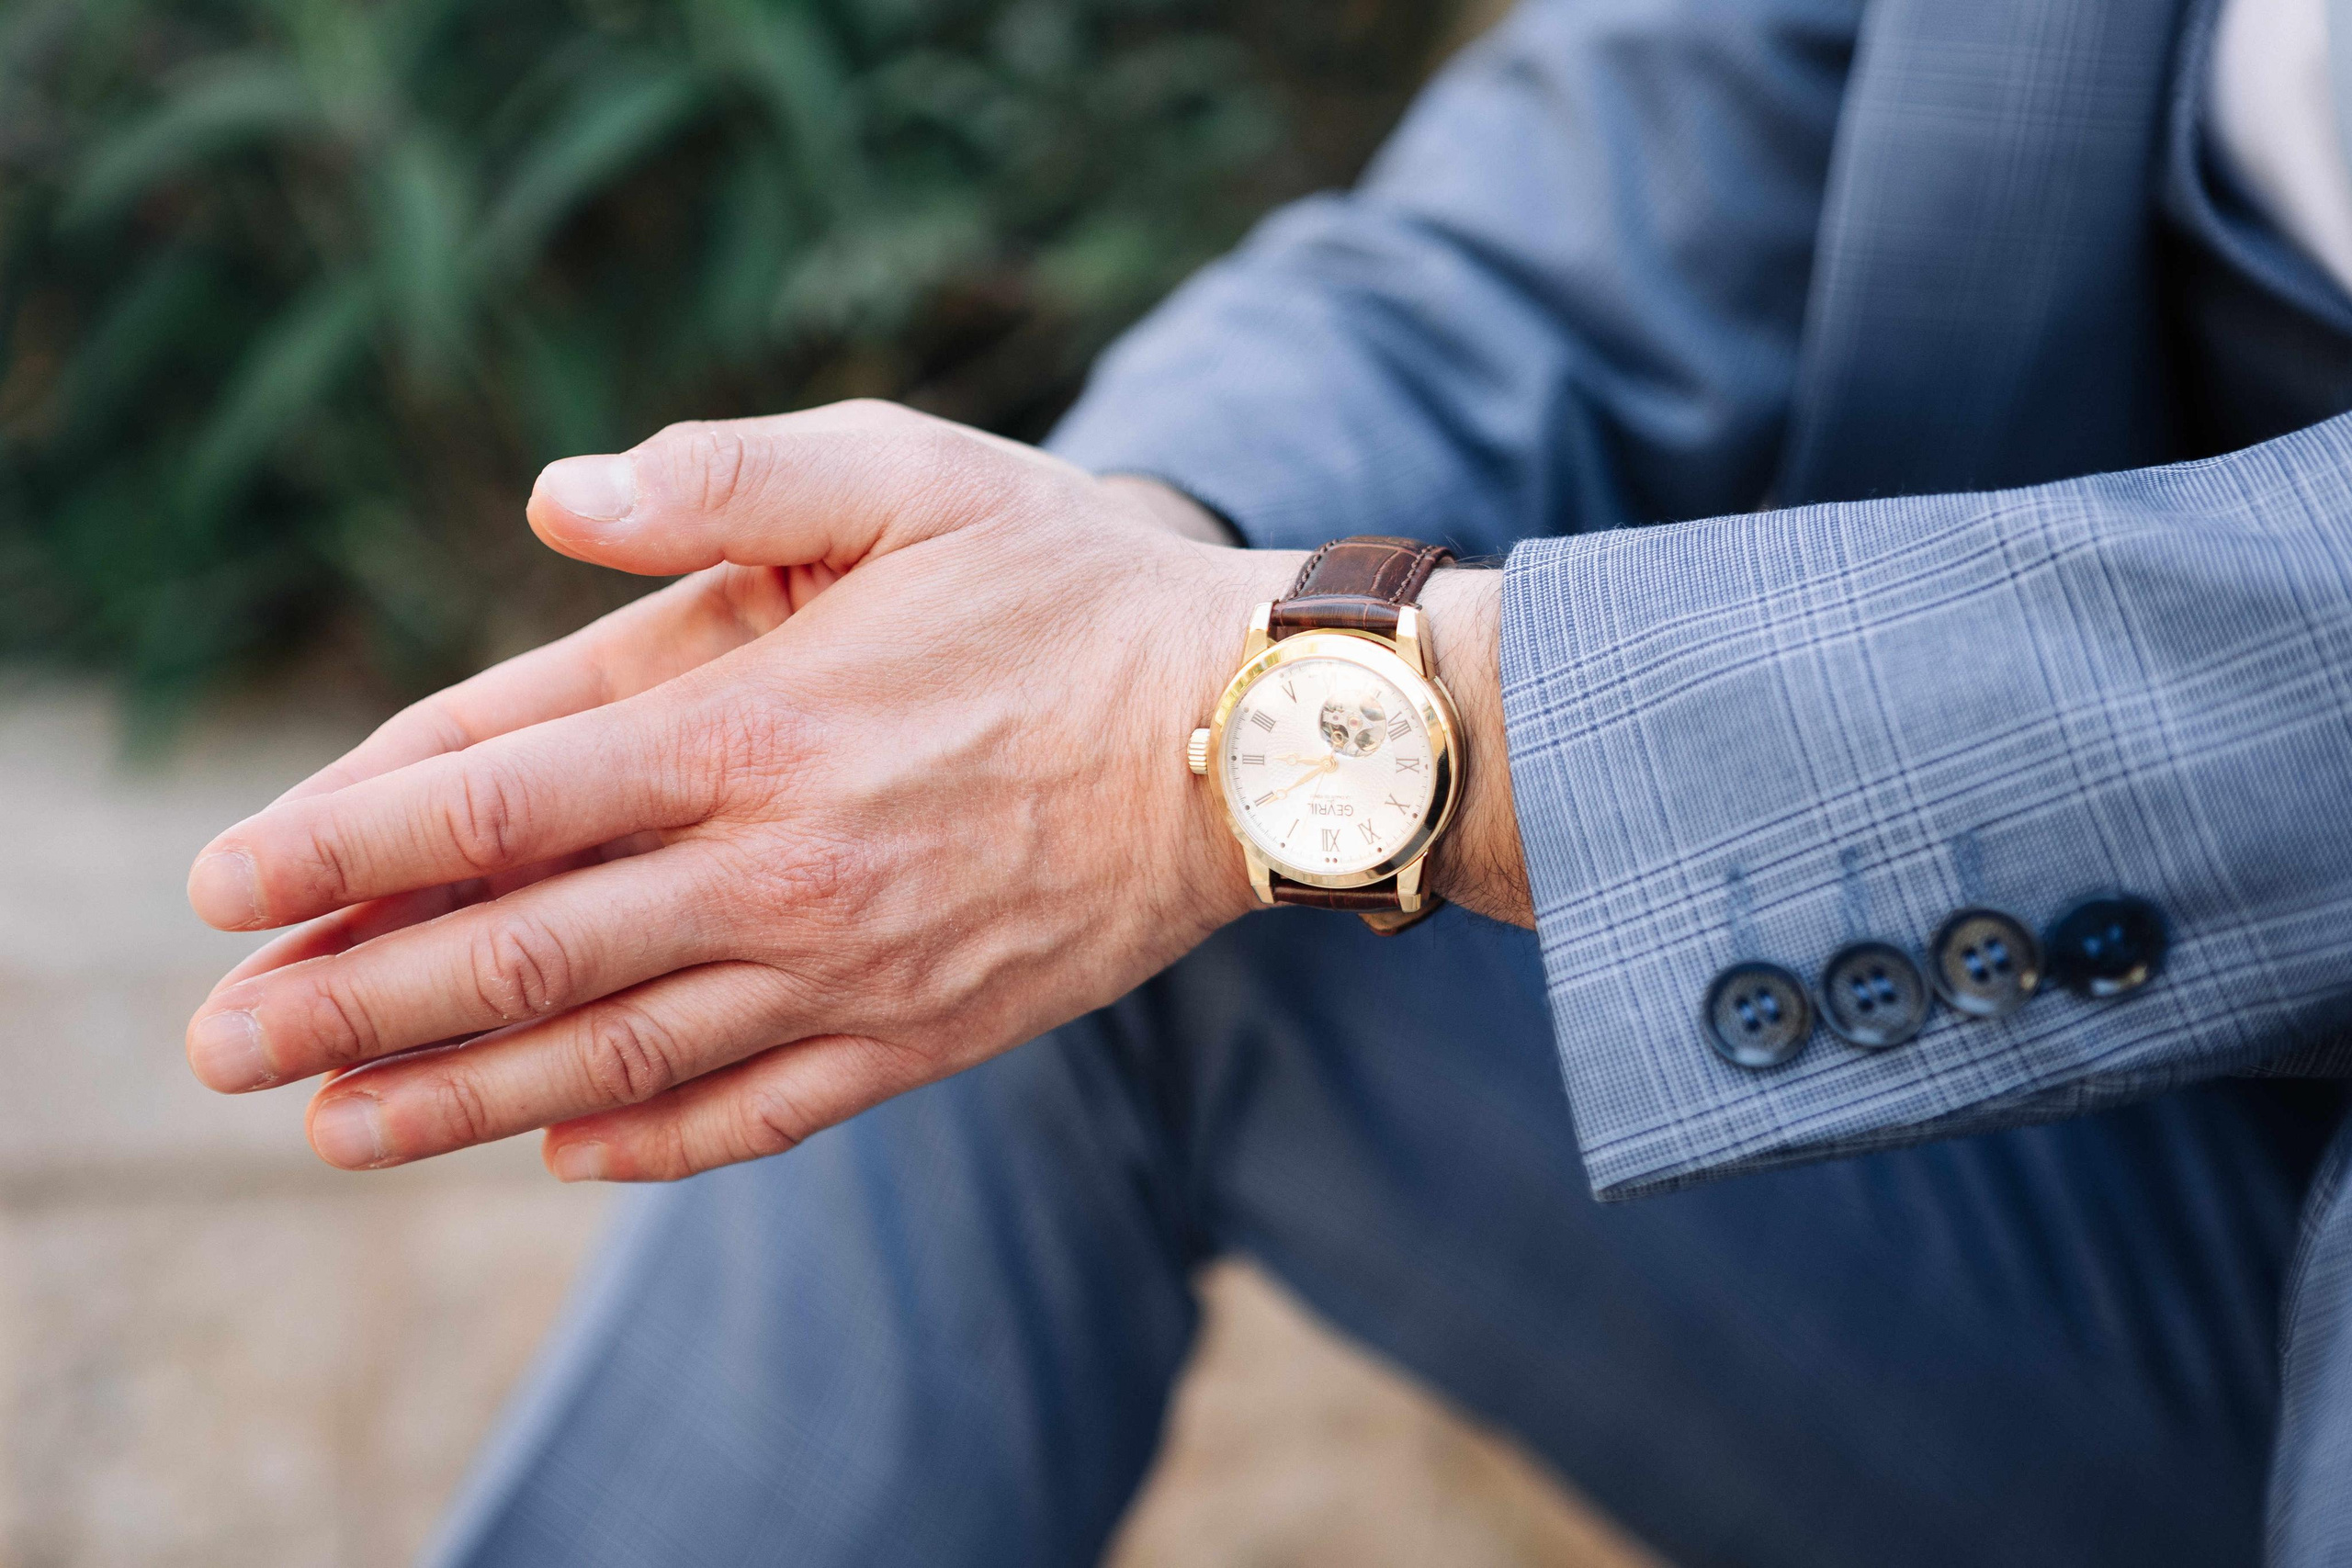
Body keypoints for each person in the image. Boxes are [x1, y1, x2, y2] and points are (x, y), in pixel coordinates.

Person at [181, 0, 2352, 1561]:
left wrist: (1306, 723)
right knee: (953, 844)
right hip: (2126, 1190)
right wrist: (1113, 564)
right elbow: (1683, 121)